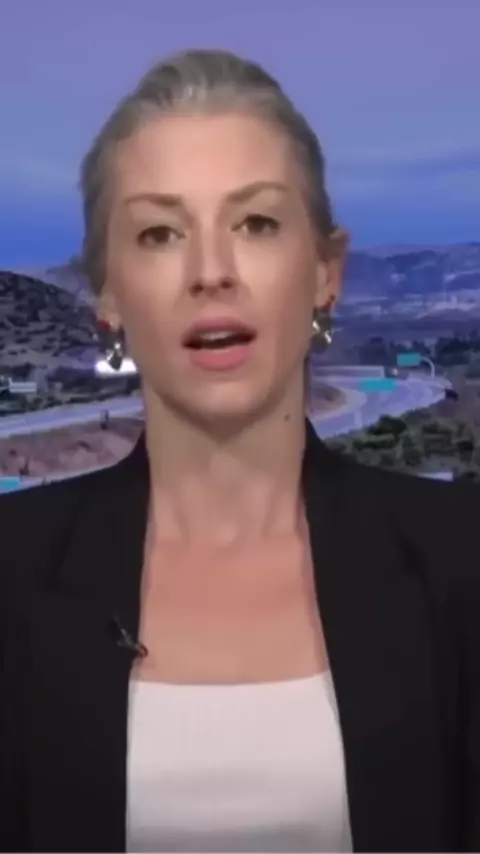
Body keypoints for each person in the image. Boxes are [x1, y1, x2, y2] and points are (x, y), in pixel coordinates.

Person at [0, 49, 479, 854]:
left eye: (256, 223)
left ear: (325, 271)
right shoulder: (11, 576)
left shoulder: (463, 561)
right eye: (160, 233)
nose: (212, 272)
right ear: (107, 292)